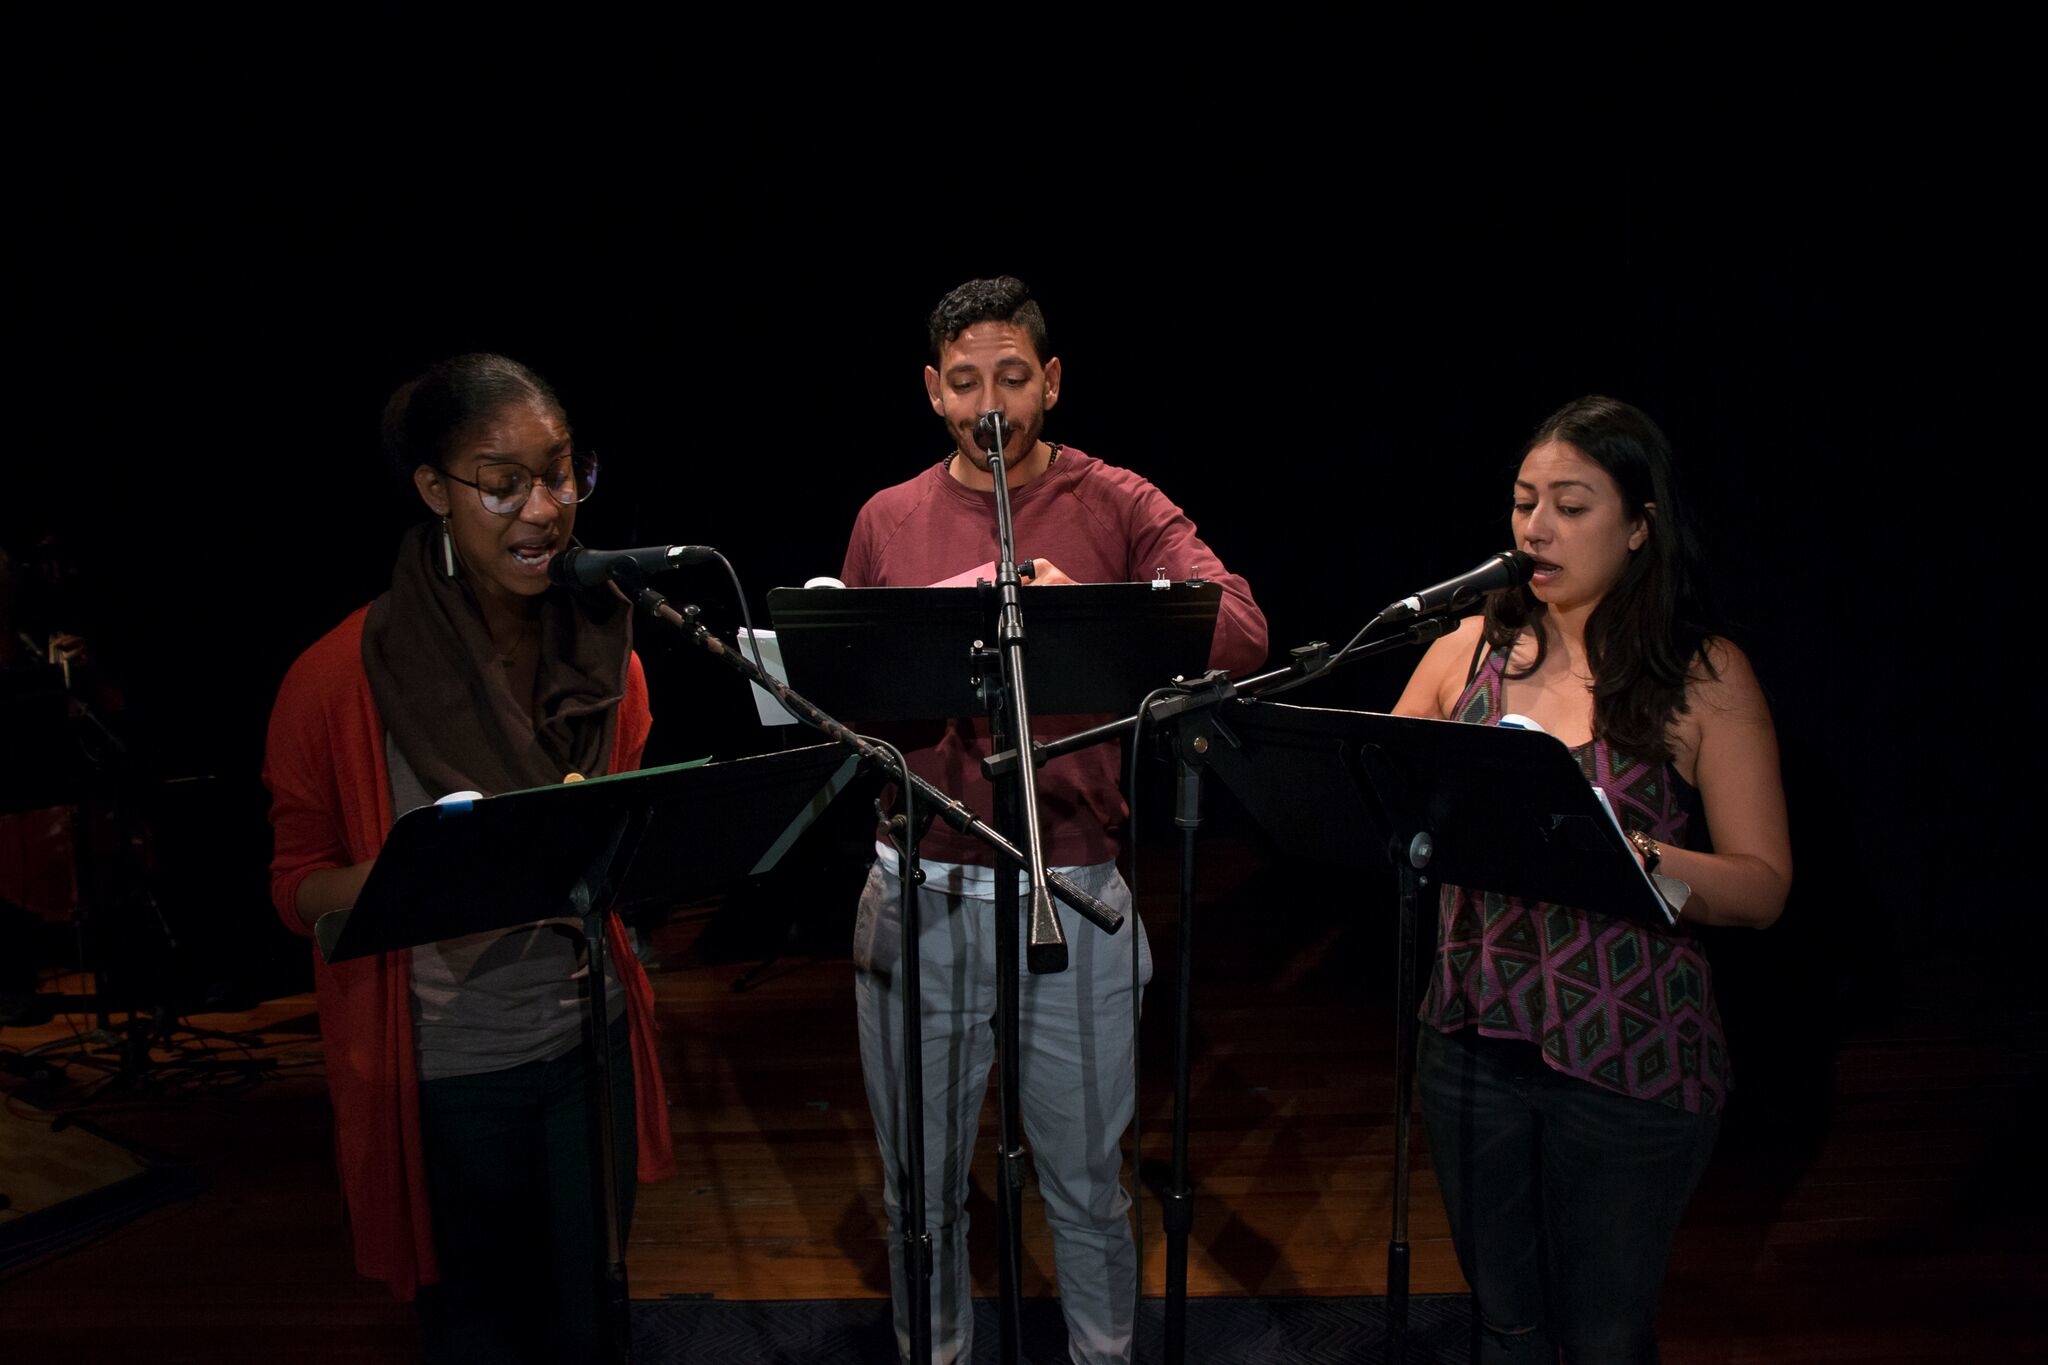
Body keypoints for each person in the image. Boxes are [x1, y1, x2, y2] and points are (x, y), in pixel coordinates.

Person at [840, 276, 1269, 1365]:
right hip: (922, 881)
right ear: (934, 392)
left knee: (1083, 1181)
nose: (992, 403)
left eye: (1014, 377)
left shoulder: (1117, 500)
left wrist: (1084, 609)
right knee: (918, 1188)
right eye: (967, 381)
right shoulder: (885, 518)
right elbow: (843, 695)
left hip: (1067, 887)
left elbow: (1240, 633)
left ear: (1053, 381)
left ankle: (1100, 1355)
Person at [262, 353, 675, 1363]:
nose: (542, 511)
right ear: (434, 492)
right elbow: (294, 884)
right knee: (478, 1333)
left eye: (562, 473)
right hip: (452, 1074)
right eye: (502, 484)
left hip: (590, 1049)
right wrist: (419, 873)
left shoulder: (607, 651)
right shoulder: (336, 679)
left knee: (592, 1320)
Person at [1391, 395, 1793, 1363]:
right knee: (1503, 1319)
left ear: (1638, 526)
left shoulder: (1700, 675)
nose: (1535, 527)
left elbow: (1759, 886)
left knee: (1603, 1334)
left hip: (1627, 1058)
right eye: (1525, 501)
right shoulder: (1465, 653)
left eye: (1570, 504)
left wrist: (1623, 849)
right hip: (1469, 1043)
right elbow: (1381, 808)